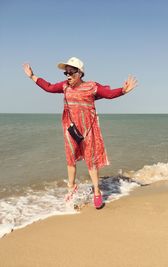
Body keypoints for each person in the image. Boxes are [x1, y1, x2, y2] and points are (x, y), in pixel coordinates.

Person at [23, 57, 138, 209]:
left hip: (88, 130)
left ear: (80, 73)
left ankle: (97, 192)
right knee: (70, 159)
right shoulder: (64, 87)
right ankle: (71, 189)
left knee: (91, 161)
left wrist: (123, 91)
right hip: (70, 129)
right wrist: (32, 76)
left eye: (71, 72)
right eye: (66, 73)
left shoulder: (92, 86)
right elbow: (49, 87)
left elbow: (108, 94)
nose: (68, 76)